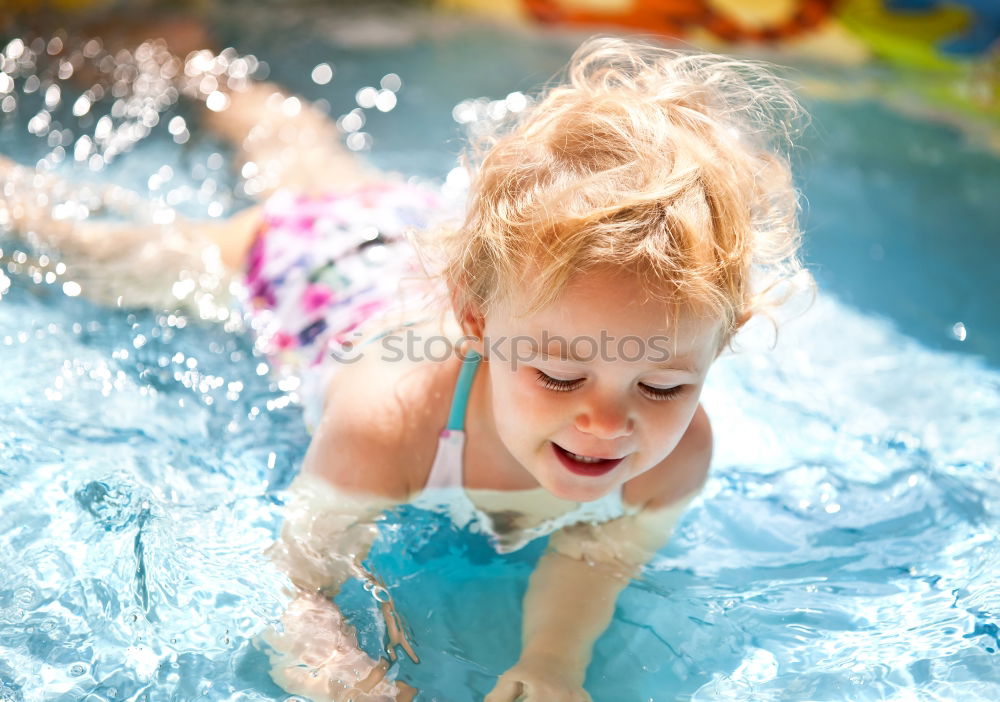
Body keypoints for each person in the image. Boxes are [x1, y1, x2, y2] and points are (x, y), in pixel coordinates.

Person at [0, 33, 806, 701]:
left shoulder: (679, 455)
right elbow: (291, 582)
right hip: (311, 264)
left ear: (721, 342)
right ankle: (178, 77)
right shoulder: (392, 421)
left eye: (664, 384)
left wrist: (552, 660)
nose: (607, 421)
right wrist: (340, 675)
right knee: (85, 249)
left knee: (308, 155)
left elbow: (598, 556)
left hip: (420, 238)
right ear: (476, 321)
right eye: (559, 378)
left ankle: (197, 58)